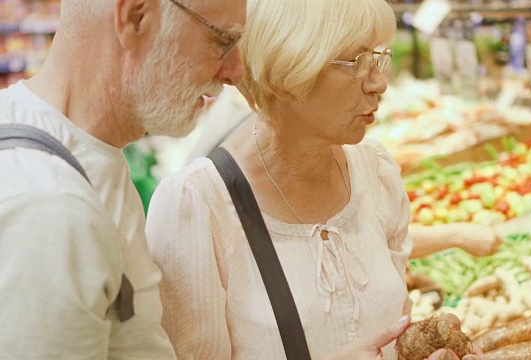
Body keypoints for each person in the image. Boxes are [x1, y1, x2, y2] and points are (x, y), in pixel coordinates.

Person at [145, 0, 487, 359]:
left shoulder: (375, 172)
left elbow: (390, 334)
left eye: (379, 58)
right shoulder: (197, 206)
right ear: (285, 75)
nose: (379, 82)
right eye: (357, 62)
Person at [0, 0, 244, 357]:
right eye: (222, 40)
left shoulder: (82, 152)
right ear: (135, 18)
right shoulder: (49, 211)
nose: (234, 71)